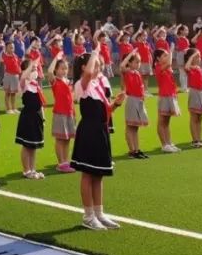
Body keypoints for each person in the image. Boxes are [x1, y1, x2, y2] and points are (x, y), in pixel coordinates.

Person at [71, 50, 125, 230]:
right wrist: (95, 52)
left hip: (100, 130)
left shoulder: (97, 85)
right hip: (89, 131)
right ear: (84, 67)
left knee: (98, 174)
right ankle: (88, 216)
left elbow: (105, 112)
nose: (98, 68)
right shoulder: (82, 83)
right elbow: (87, 74)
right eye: (95, 65)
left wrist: (116, 104)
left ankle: (99, 213)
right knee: (87, 173)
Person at [15, 59, 47, 179]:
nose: (34, 69)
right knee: (26, 145)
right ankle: (26, 170)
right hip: (28, 117)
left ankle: (33, 169)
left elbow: (40, 104)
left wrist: (43, 118)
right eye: (31, 68)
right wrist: (31, 66)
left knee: (34, 146)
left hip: (37, 117)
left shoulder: (36, 85)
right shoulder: (24, 84)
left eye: (35, 68)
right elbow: (23, 77)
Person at [119, 51, 149, 158]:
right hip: (132, 100)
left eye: (139, 62)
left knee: (136, 127)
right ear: (130, 63)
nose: (138, 64)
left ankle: (137, 149)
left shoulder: (137, 73)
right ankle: (132, 150)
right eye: (136, 62)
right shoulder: (127, 72)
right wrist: (130, 54)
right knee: (130, 126)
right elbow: (122, 66)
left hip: (139, 101)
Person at [50, 55, 76, 172]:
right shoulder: (55, 81)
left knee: (67, 138)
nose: (64, 71)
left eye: (66, 68)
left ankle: (66, 160)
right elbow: (50, 72)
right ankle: (61, 163)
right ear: (56, 69)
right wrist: (56, 58)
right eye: (61, 68)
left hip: (69, 112)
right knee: (60, 139)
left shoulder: (68, 82)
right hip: (60, 113)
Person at [153, 48, 181, 153]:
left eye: (166, 55)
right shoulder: (158, 67)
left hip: (170, 95)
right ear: (158, 58)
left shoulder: (167, 68)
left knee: (167, 122)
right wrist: (172, 51)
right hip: (164, 96)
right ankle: (164, 144)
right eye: (164, 56)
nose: (167, 57)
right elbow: (169, 63)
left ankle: (169, 143)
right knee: (162, 121)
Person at [183, 50, 202, 146]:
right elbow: (186, 67)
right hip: (194, 93)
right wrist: (192, 56)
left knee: (200, 118)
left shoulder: (199, 68)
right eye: (196, 57)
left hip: (201, 93)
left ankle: (199, 138)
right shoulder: (190, 68)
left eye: (199, 57)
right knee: (194, 117)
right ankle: (195, 140)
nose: (199, 59)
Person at [1, 42, 21, 114]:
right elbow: (1, 58)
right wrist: (3, 49)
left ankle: (13, 108)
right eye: (10, 47)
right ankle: (8, 109)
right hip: (8, 75)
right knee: (8, 93)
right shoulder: (5, 56)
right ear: (6, 48)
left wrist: (19, 73)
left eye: (13, 47)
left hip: (15, 76)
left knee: (13, 93)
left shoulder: (15, 56)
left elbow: (18, 65)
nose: (12, 48)